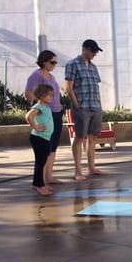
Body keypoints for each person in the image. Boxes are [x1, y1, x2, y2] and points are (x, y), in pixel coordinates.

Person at [65, 39, 104, 180]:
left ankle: (92, 167)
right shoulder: (72, 64)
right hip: (82, 107)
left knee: (93, 138)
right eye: (93, 51)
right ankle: (77, 171)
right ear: (85, 49)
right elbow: (69, 88)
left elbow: (96, 87)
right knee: (80, 137)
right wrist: (76, 105)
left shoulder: (94, 67)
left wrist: (99, 105)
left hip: (95, 106)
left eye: (96, 52)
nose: (95, 54)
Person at [25, 50, 64, 184]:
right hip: (47, 113)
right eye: (52, 62)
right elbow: (28, 94)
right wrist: (40, 103)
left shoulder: (51, 77)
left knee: (53, 147)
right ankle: (41, 180)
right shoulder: (36, 75)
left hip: (57, 113)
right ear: (44, 61)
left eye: (55, 62)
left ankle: (49, 176)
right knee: (45, 148)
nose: (54, 65)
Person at [25, 84, 55, 196]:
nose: (51, 97)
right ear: (41, 95)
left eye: (52, 95)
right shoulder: (38, 107)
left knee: (42, 162)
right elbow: (28, 116)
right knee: (40, 162)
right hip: (38, 138)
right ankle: (39, 185)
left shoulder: (46, 107)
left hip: (45, 139)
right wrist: (36, 127)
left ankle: (38, 183)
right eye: (49, 95)